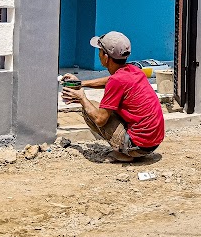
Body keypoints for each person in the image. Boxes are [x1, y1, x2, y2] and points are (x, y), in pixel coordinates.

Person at [61, 31, 165, 162]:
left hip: (139, 145)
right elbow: (110, 80)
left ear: (105, 57)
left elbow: (100, 120)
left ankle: (125, 153)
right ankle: (129, 148)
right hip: (153, 142)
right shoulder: (133, 70)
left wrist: (82, 98)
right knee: (95, 105)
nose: (98, 54)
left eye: (99, 51)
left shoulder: (116, 81)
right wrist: (81, 83)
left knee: (90, 111)